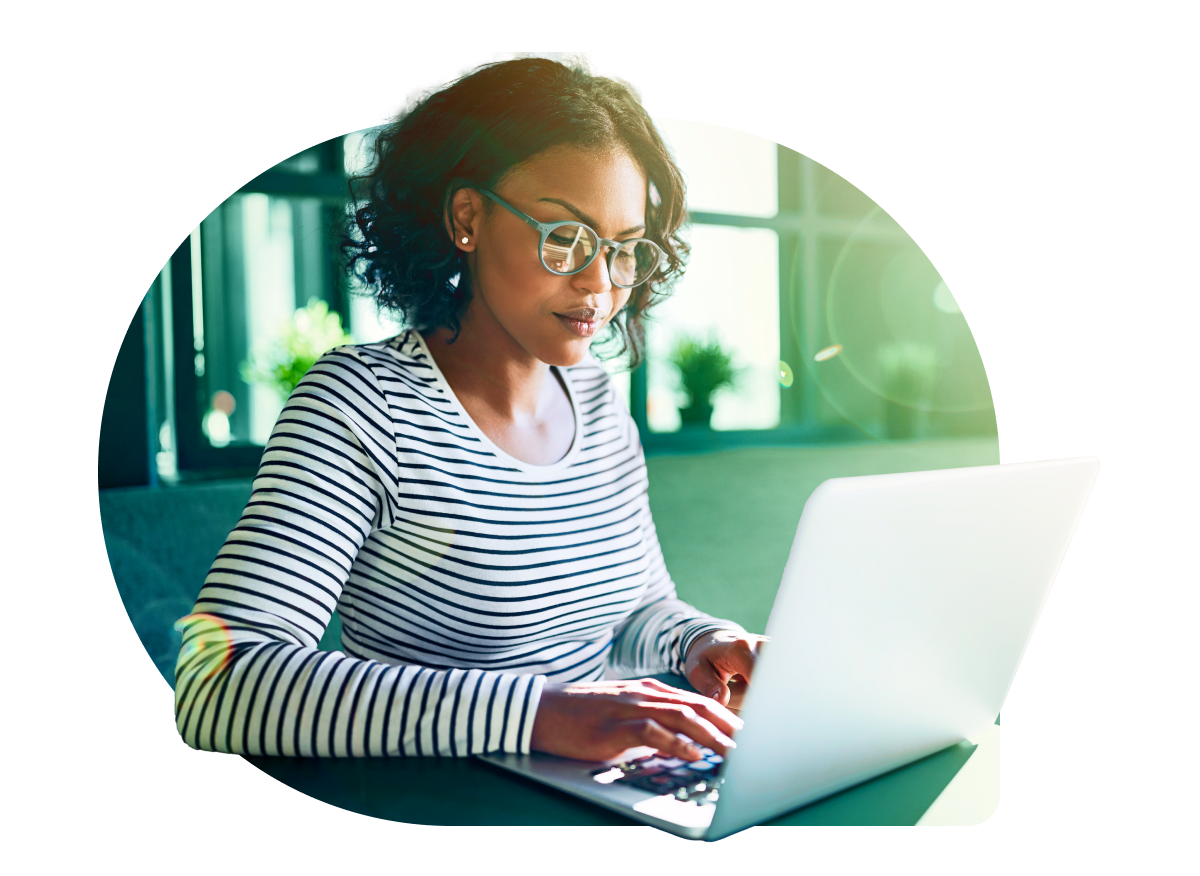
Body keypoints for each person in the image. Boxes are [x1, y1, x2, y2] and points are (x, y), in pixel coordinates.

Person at [173, 53, 765, 765]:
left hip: (609, 791)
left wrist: (702, 641)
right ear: (468, 217)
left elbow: (635, 609)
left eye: (623, 249)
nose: (599, 284)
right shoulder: (361, 407)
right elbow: (217, 684)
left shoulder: (601, 406)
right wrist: (541, 714)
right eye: (565, 239)